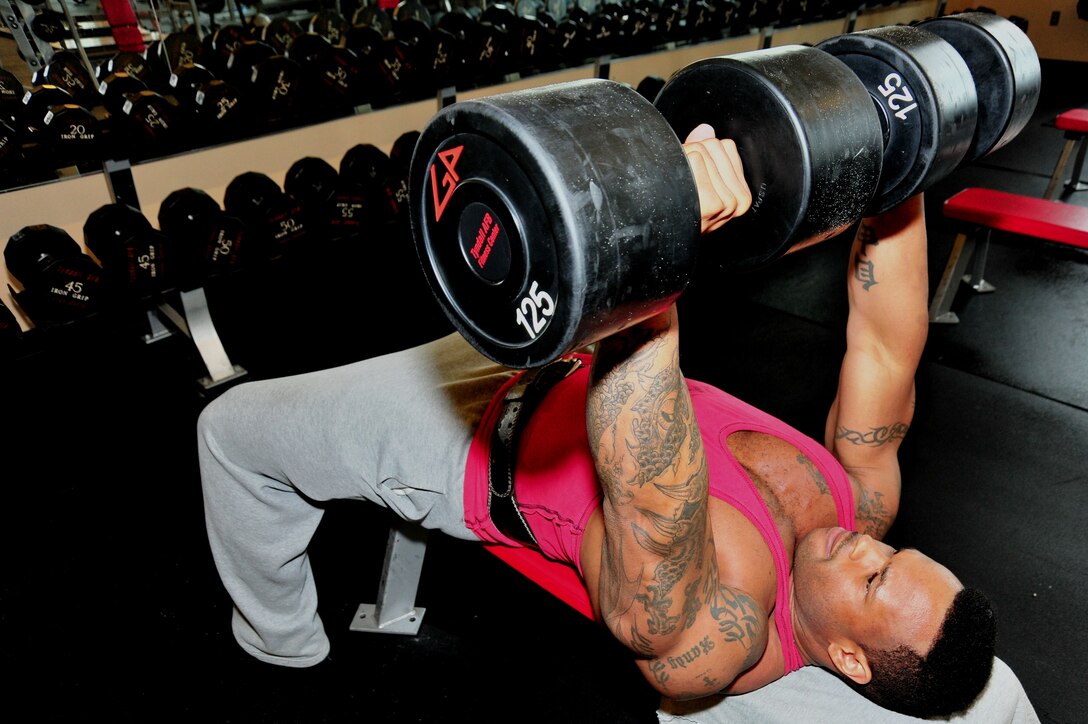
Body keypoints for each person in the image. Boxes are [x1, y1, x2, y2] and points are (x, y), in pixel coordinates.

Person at [198, 124, 1008, 719]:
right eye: (895, 552)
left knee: (230, 431)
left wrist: (655, 242)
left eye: (873, 578)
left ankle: (279, 643)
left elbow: (645, 485)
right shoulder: (854, 511)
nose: (871, 544)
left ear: (845, 660)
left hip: (466, 436)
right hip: (564, 346)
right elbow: (884, 352)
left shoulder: (721, 636)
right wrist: (902, 159)